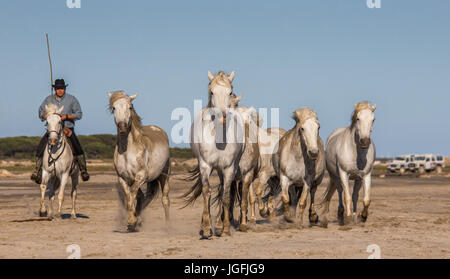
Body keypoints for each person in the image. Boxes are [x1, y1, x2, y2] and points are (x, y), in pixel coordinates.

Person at [31, 79, 90, 183]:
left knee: (77, 146)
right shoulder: (48, 99)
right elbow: (40, 113)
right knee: (40, 147)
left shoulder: (72, 99)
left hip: (67, 128)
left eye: (62, 88)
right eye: (58, 88)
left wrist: (66, 116)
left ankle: (83, 170)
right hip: (53, 130)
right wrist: (46, 115)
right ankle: (37, 171)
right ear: (54, 89)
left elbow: (79, 114)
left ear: (65, 88)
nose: (60, 90)